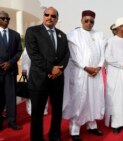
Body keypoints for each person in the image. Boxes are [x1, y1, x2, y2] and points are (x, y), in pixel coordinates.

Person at [25, 7, 69, 141]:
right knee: (37, 113)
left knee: (57, 111)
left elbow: (66, 55)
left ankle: (55, 135)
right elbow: (34, 55)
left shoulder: (62, 35)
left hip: (57, 80)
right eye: (47, 15)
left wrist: (59, 70)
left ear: (56, 18)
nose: (50, 17)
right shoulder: (33, 31)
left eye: (53, 16)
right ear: (43, 16)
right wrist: (51, 69)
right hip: (39, 80)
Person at [62, 10, 105, 141]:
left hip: (95, 74)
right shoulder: (73, 35)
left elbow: (103, 53)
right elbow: (73, 55)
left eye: (91, 21)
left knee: (94, 100)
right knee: (80, 100)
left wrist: (98, 67)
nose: (89, 23)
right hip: (81, 73)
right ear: (81, 20)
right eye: (86, 20)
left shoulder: (99, 35)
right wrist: (86, 67)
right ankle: (74, 129)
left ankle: (92, 126)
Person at [0, 11, 22, 130]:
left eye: (8, 18)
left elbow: (19, 51)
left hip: (10, 71)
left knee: (10, 97)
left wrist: (10, 63)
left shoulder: (15, 35)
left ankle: (11, 121)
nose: (6, 20)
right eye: (3, 18)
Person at [20, 48, 49, 116]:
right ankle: (31, 110)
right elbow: (25, 63)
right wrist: (25, 76)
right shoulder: (27, 49)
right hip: (31, 75)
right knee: (31, 94)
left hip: (43, 74)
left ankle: (44, 109)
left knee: (44, 92)